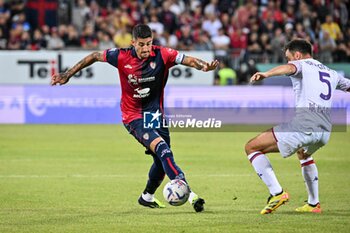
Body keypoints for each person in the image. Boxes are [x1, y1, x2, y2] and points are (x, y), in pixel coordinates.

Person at [51, 24, 219, 212]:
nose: (146, 48)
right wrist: (67, 74)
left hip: (154, 114)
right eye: (141, 44)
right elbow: (94, 56)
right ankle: (188, 192)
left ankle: (147, 196)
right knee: (164, 151)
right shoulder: (121, 56)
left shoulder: (163, 54)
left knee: (161, 160)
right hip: (133, 117)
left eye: (149, 43)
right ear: (133, 43)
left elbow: (187, 60)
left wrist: (204, 66)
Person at [246, 39, 350, 214]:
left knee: (252, 147)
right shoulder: (331, 72)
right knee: (304, 153)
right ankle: (313, 204)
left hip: (304, 125)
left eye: (289, 58)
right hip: (324, 131)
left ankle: (276, 193)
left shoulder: (301, 64)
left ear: (297, 55)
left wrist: (266, 74)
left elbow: (289, 68)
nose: (289, 62)